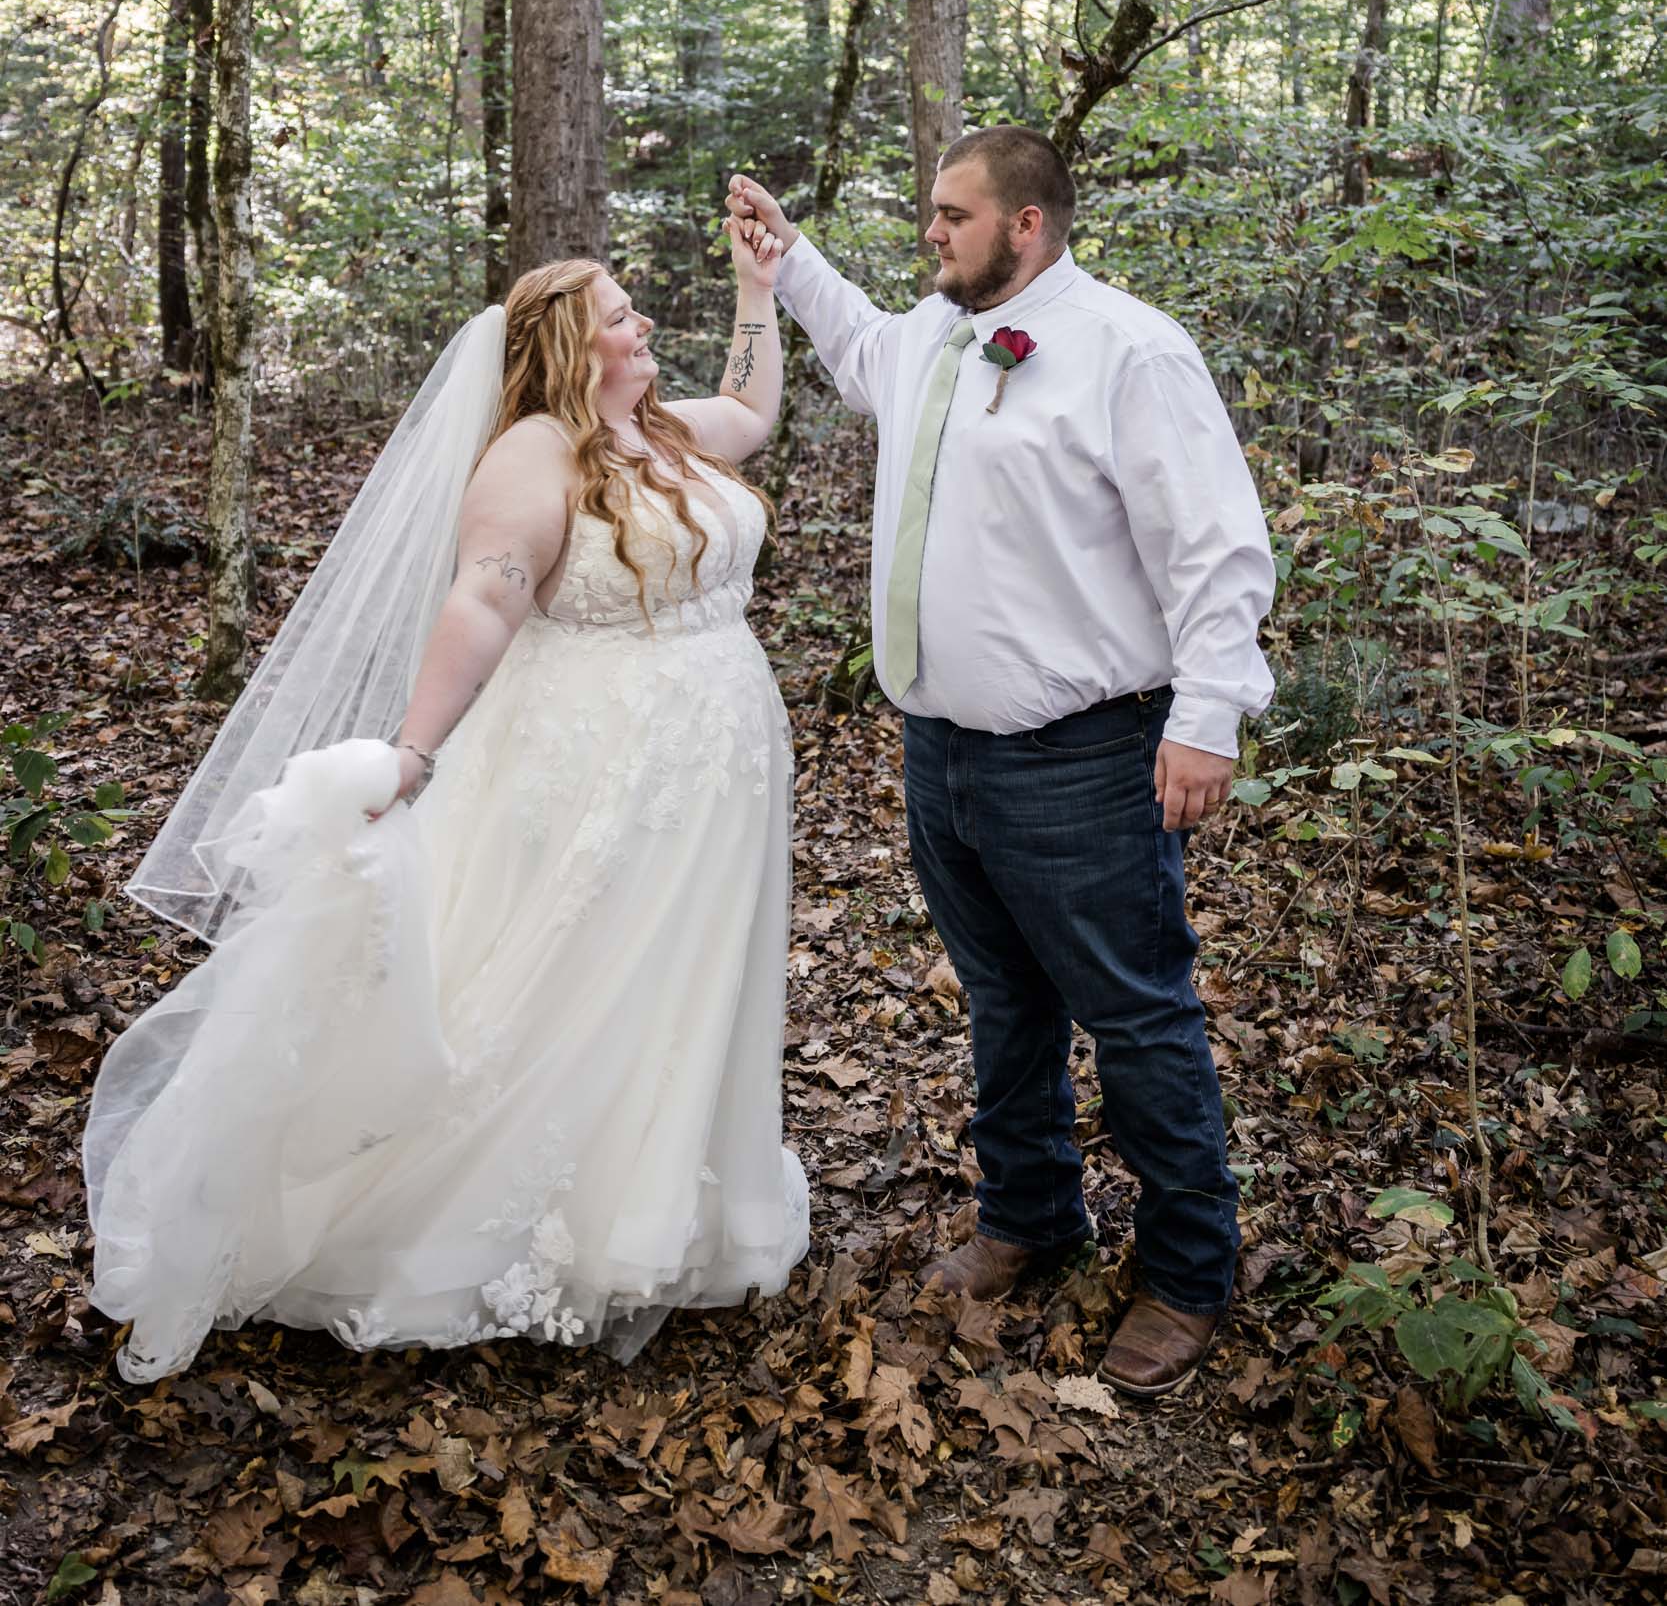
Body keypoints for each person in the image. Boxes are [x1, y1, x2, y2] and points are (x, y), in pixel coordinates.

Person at [84, 223, 808, 1383]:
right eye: (621, 316)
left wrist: (755, 294)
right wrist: (413, 750)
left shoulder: (660, 430)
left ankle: (658, 1196)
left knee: (685, 972)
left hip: (717, 767)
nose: (640, 326)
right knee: (583, 965)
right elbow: (484, 598)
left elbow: (753, 414)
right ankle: (501, 1212)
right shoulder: (534, 452)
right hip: (607, 758)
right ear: (573, 347)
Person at [728, 128, 1274, 1400]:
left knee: (1136, 1014)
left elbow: (1214, 547)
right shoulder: (928, 333)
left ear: (1025, 225)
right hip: (941, 753)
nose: (931, 232)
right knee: (1001, 1001)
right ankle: (1027, 1214)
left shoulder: (1128, 351)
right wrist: (788, 255)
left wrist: (1207, 715)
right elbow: (859, 348)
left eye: (951, 215)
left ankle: (1189, 1270)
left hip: (1083, 758)